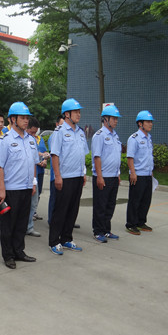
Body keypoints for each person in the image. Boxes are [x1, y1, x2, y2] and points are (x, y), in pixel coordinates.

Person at [0, 102, 38, 269]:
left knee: (21, 223)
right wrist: (1, 189)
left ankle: (19, 251)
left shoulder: (31, 140)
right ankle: (8, 255)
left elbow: (33, 163)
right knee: (9, 225)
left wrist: (33, 182)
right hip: (11, 189)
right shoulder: (5, 140)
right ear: (13, 119)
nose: (26, 121)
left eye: (27, 118)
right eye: (22, 118)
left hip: (26, 188)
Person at [49, 98, 88, 255]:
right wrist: (57, 176)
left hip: (77, 176)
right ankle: (54, 241)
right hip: (65, 177)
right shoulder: (59, 132)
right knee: (61, 210)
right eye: (76, 112)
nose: (79, 114)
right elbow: (55, 155)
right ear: (67, 114)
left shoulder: (80, 132)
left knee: (73, 209)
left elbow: (82, 154)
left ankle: (66, 238)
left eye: (79, 112)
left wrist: (83, 172)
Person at [91, 105, 122, 243]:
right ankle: (98, 231)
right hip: (103, 176)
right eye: (113, 118)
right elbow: (97, 157)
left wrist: (118, 174)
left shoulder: (115, 136)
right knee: (100, 205)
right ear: (105, 119)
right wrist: (99, 176)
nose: (116, 121)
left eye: (116, 118)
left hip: (113, 176)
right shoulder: (99, 136)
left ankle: (106, 230)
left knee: (110, 205)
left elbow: (116, 156)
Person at [125, 110, 155, 235]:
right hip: (137, 175)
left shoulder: (149, 138)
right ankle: (131, 224)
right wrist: (132, 172)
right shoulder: (134, 138)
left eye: (151, 122)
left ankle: (141, 222)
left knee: (146, 200)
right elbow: (130, 157)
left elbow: (148, 156)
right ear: (140, 123)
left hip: (147, 175)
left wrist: (151, 172)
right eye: (148, 122)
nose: (150, 124)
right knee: (135, 200)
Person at [25, 117, 47, 237]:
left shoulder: (33, 140)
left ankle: (29, 227)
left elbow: (34, 157)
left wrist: (43, 158)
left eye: (35, 132)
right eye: (31, 132)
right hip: (20, 178)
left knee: (33, 203)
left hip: (33, 177)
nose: (34, 135)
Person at [47, 114, 64, 225]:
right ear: (56, 124)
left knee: (64, 200)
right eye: (61, 125)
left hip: (66, 174)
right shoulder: (54, 136)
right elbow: (54, 154)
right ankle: (51, 220)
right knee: (54, 198)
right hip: (56, 174)